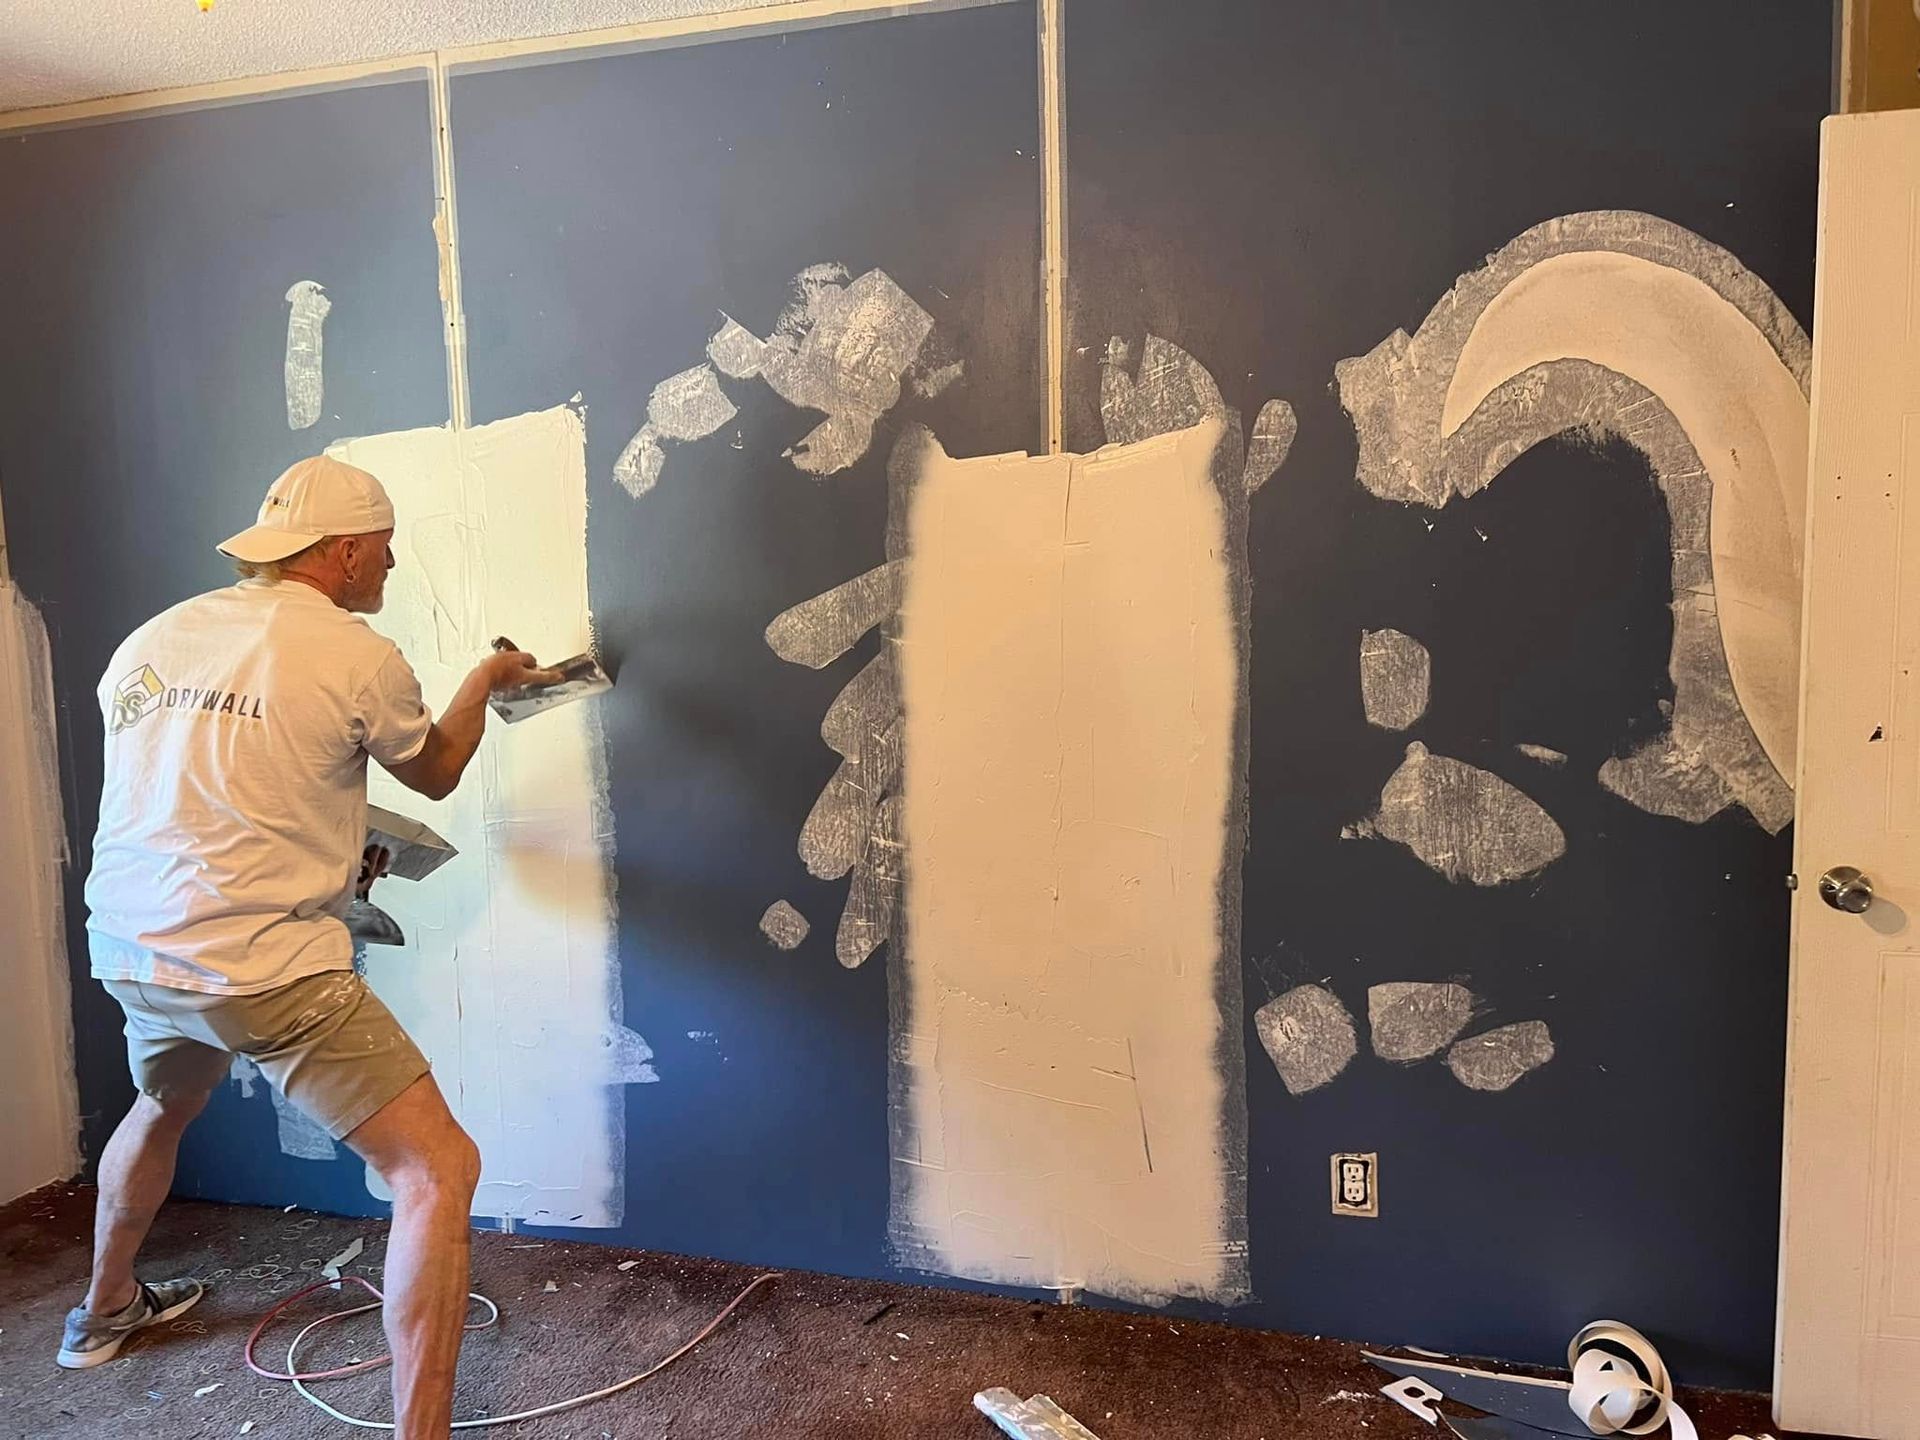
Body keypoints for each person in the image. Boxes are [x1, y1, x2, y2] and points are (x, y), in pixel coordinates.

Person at [60, 455, 559, 1440]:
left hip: (132, 950)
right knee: (436, 1170)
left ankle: (103, 1310)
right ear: (339, 551)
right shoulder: (351, 650)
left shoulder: (154, 637)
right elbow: (439, 771)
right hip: (261, 967)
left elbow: (199, 788)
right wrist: (489, 679)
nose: (391, 563)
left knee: (163, 1102)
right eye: (382, 546)